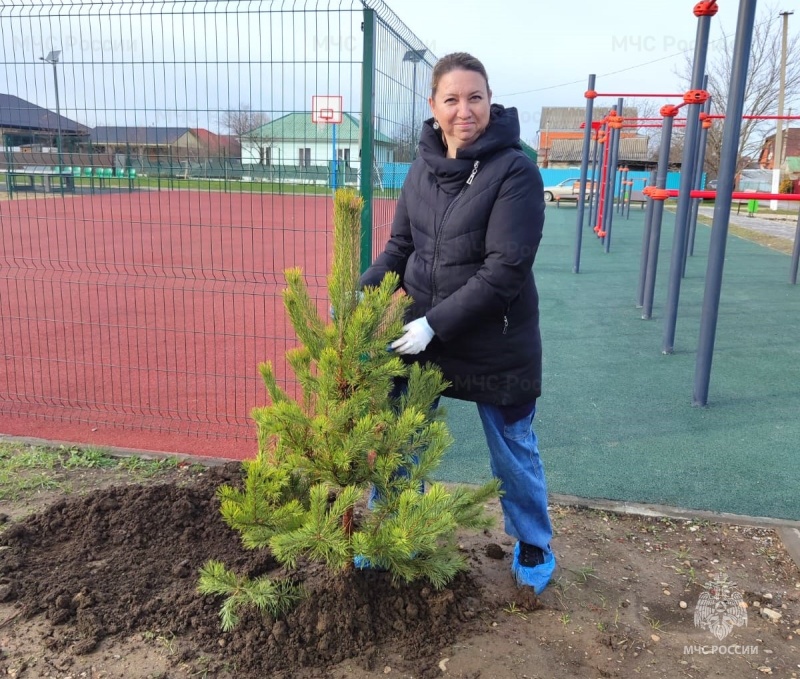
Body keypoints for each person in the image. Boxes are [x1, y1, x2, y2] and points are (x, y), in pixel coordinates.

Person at [358, 52, 555, 594]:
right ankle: (396, 529)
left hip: (497, 339)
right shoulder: (422, 167)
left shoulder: (515, 170)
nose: (464, 110)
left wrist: (432, 325)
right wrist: (359, 295)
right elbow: (400, 246)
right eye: (452, 99)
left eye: (475, 97)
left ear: (491, 102)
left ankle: (533, 540)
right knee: (405, 436)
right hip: (422, 330)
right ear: (433, 106)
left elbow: (505, 269)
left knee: (511, 448)